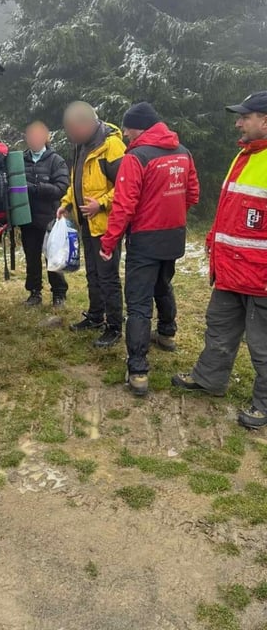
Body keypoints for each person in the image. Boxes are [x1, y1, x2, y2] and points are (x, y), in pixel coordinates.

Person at [172, 91, 267, 429]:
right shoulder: (246, 155)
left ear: (265, 120)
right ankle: (209, 379)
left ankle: (264, 404)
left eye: (245, 116)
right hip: (232, 270)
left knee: (262, 345)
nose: (238, 122)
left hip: (261, 278)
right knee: (219, 328)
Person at [100, 102, 200, 396]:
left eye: (128, 129)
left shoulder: (137, 157)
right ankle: (167, 333)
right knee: (163, 284)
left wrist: (109, 241)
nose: (127, 135)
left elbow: (124, 205)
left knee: (139, 303)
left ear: (138, 127)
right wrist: (172, 216)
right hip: (173, 236)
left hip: (145, 239)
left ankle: (138, 370)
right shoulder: (183, 152)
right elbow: (192, 193)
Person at [57, 101, 125, 348]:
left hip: (107, 226)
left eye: (72, 130)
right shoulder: (82, 145)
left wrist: (102, 203)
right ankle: (96, 316)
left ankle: (115, 325)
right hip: (87, 224)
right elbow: (78, 181)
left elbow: (127, 187)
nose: (69, 136)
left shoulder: (112, 146)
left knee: (108, 277)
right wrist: (66, 203)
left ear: (86, 124)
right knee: (93, 274)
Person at [21, 120, 70, 307]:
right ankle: (34, 293)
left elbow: (61, 188)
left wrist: (35, 188)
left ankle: (59, 294)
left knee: (53, 257)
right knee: (31, 257)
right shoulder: (20, 159)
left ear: (46, 137)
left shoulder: (56, 160)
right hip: (27, 218)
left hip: (50, 218)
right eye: (31, 135)